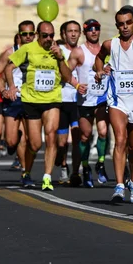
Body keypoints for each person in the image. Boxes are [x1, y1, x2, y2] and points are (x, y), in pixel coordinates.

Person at [94, 6, 133, 203]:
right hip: (117, 100)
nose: (125, 27)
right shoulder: (109, 44)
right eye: (121, 24)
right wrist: (100, 70)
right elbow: (98, 58)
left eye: (128, 23)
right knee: (120, 139)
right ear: (117, 26)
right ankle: (119, 185)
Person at [5, 21, 73, 191]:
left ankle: (47, 177)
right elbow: (8, 68)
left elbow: (67, 77)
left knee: (51, 136)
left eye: (52, 35)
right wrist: (11, 87)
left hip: (52, 100)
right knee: (35, 144)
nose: (49, 39)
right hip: (31, 101)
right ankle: (26, 171)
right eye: (45, 36)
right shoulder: (27, 49)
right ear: (37, 35)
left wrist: (59, 58)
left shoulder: (58, 51)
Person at [68, 18, 110, 187]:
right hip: (85, 100)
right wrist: (76, 85)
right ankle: (85, 168)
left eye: (97, 28)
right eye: (90, 29)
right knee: (85, 135)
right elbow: (65, 73)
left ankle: (100, 163)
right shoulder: (79, 52)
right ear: (85, 32)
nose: (94, 31)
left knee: (103, 131)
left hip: (102, 98)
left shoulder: (106, 49)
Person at [0, 21, 34, 174]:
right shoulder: (10, 53)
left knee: (29, 140)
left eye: (31, 34)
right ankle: (14, 137)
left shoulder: (40, 51)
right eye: (25, 34)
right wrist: (4, 90)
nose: (28, 37)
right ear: (19, 35)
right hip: (13, 98)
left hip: (32, 98)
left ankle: (25, 171)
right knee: (12, 140)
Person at [56, 21, 82, 186]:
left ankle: (75, 172)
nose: (73, 34)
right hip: (62, 100)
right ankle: (63, 165)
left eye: (76, 31)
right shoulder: (59, 52)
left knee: (78, 138)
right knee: (62, 142)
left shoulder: (83, 51)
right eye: (70, 31)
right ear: (63, 34)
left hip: (79, 102)